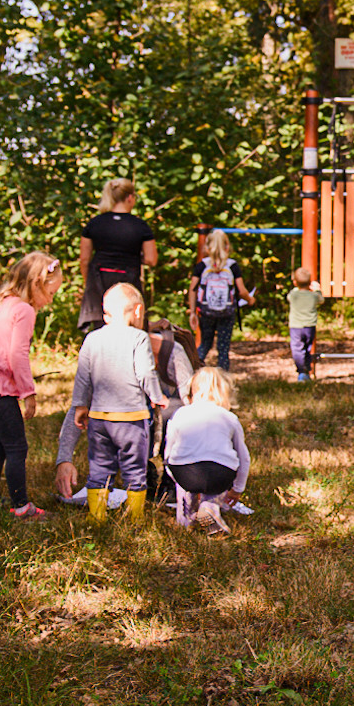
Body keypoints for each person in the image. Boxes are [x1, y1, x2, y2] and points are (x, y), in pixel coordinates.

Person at [0, 251, 65, 519]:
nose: (52, 299)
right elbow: (17, 354)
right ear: (36, 283)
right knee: (17, 447)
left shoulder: (2, 304)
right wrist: (28, 392)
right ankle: (21, 506)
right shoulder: (24, 309)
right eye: (51, 292)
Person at [56, 317, 195, 505]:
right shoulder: (108, 358)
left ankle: (171, 479)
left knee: (172, 411)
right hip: (133, 422)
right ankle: (144, 473)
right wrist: (64, 459)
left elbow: (193, 406)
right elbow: (79, 406)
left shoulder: (171, 353)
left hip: (168, 420)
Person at [72, 283, 166, 512]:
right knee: (134, 469)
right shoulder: (139, 338)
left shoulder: (92, 339)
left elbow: (82, 376)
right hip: (132, 419)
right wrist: (156, 395)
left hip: (99, 419)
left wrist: (80, 405)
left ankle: (97, 516)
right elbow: (145, 372)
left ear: (106, 314)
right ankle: (134, 518)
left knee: (100, 468)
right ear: (137, 311)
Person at [166, 366, 252, 536]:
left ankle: (185, 520)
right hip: (219, 473)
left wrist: (173, 474)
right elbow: (244, 458)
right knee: (219, 470)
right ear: (224, 392)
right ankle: (210, 506)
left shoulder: (180, 413)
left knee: (184, 479)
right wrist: (237, 489)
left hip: (185, 472)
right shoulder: (229, 418)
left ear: (193, 390)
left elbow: (169, 452)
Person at [77, 178, 158, 333]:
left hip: (99, 278)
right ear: (129, 198)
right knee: (130, 327)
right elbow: (151, 259)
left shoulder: (94, 224)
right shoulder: (141, 226)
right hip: (128, 280)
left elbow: (84, 259)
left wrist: (88, 282)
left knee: (100, 329)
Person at [191, 229, 254, 370]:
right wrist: (250, 300)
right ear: (227, 246)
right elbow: (242, 291)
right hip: (227, 313)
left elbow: (193, 289)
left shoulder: (202, 266)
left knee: (205, 344)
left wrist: (192, 312)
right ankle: (223, 379)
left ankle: (193, 371)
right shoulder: (232, 266)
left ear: (207, 247)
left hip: (206, 312)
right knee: (223, 348)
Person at [287, 267, 324, 382]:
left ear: (295, 283)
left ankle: (302, 371)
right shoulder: (313, 296)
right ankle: (307, 370)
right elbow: (321, 300)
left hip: (296, 327)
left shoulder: (294, 295)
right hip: (309, 326)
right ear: (309, 283)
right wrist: (317, 289)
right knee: (307, 349)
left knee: (297, 349)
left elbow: (289, 296)